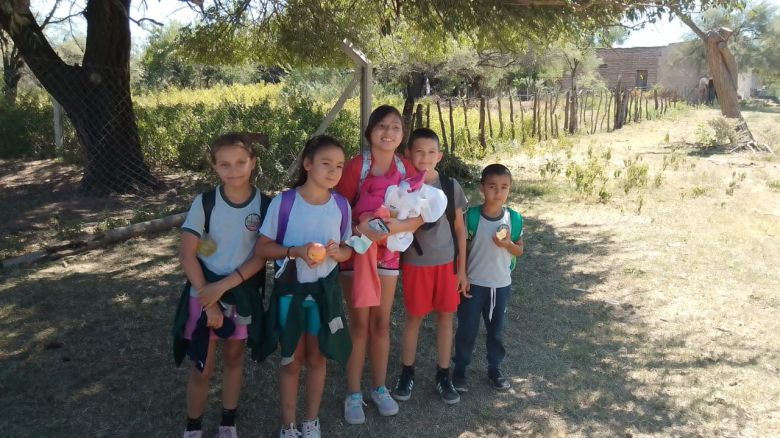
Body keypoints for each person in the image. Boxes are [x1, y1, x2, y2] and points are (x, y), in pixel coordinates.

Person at [172, 133, 271, 438]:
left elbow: (261, 256)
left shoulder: (265, 205)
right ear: (214, 167)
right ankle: (193, 427)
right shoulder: (205, 202)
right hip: (202, 294)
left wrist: (225, 287)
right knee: (202, 366)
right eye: (225, 164)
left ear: (253, 163)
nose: (234, 170)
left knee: (233, 358)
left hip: (241, 295)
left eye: (241, 162)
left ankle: (228, 422)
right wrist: (210, 300)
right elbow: (187, 255)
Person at [255, 135, 354, 438]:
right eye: (326, 164)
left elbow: (349, 249)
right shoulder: (284, 203)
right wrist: (295, 251)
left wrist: (340, 253)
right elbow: (262, 248)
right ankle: (289, 424)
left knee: (317, 357)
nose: (334, 171)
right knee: (291, 359)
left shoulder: (341, 205)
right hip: (290, 295)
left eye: (339, 166)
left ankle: (311, 421)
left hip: (324, 295)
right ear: (308, 164)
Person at [334, 105, 424, 424]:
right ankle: (354, 393)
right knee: (359, 326)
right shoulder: (356, 167)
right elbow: (339, 211)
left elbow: (419, 216)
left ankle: (379, 387)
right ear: (370, 131)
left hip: (389, 256)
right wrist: (363, 230)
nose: (388, 132)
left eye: (396, 127)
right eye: (382, 126)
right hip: (355, 255)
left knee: (382, 324)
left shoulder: (407, 169)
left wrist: (386, 230)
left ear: (402, 134)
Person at [390, 128, 468, 405]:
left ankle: (443, 374)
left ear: (440, 156)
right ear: (408, 154)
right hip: (415, 264)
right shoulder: (401, 187)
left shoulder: (450, 186)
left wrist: (462, 269)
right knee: (414, 318)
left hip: (447, 264)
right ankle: (406, 372)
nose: (425, 158)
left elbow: (460, 229)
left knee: (446, 318)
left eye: (430, 152)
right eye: (418, 152)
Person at [452, 164, 524, 392]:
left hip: (500, 286)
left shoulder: (514, 218)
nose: (498, 192)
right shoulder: (470, 216)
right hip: (473, 284)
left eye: (504, 187)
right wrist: (461, 274)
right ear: (482, 187)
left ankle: (495, 368)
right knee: (467, 329)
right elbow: (461, 247)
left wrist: (508, 244)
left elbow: (519, 250)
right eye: (492, 186)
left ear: (510, 189)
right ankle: (460, 370)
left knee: (496, 330)